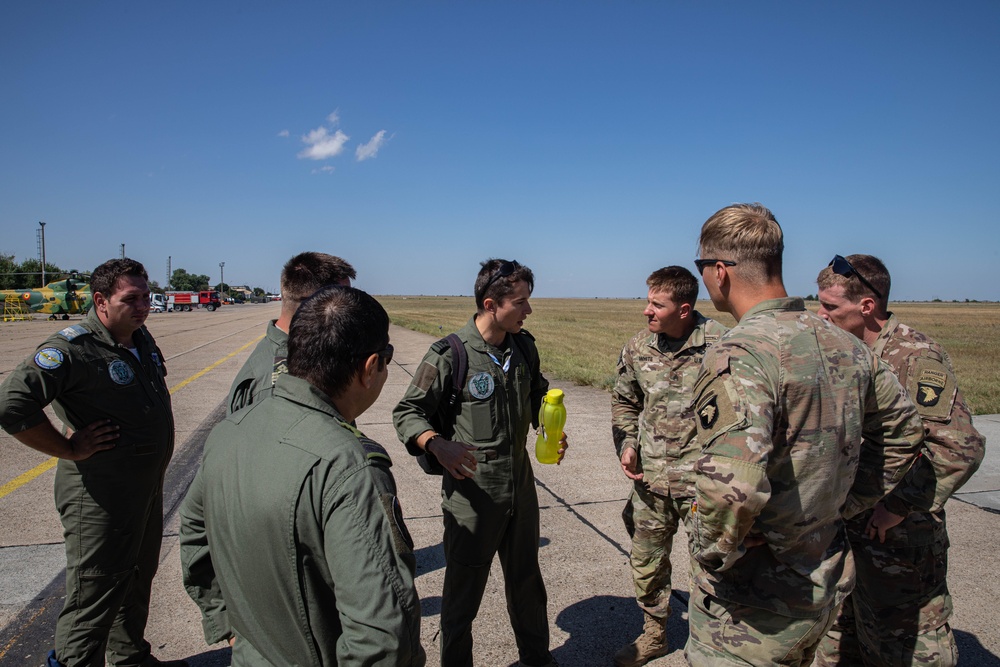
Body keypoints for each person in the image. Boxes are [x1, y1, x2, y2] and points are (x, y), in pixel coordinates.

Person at [684, 204, 926, 667]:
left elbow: (732, 489)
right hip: (824, 578)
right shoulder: (846, 343)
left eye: (702, 268)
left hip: (753, 605)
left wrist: (711, 550)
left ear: (720, 271)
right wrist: (839, 505)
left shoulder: (740, 352)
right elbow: (903, 433)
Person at [179, 285, 425, 666]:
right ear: (370, 367)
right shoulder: (349, 466)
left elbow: (195, 532)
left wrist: (228, 625)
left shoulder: (230, 430)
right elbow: (382, 635)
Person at [0, 258, 184, 667]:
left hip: (144, 489)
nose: (143, 306)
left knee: (136, 578)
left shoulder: (140, 336)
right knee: (94, 594)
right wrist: (68, 449)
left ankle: (129, 657)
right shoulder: (71, 348)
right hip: (99, 496)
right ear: (100, 301)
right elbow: (12, 405)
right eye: (130, 299)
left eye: (146, 297)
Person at [813, 254, 985, 666]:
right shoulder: (847, 352)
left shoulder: (912, 356)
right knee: (839, 639)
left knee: (906, 644)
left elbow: (958, 447)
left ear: (867, 307)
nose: (820, 315)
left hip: (897, 536)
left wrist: (897, 506)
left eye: (830, 307)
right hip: (849, 526)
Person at [392, 259, 565, 667]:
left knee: (526, 582)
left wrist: (550, 427)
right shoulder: (450, 354)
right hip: (472, 495)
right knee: (462, 595)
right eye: (520, 302)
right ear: (491, 304)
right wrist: (436, 444)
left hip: (520, 489)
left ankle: (537, 659)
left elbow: (538, 394)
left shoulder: (524, 347)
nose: (528, 310)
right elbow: (407, 412)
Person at [610, 266, 729, 667]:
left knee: (711, 571)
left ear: (683, 309)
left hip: (704, 485)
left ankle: (708, 644)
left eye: (656, 304)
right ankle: (655, 634)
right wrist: (627, 444)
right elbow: (625, 400)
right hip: (651, 481)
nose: (647, 311)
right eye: (647, 301)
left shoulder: (723, 346)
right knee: (646, 563)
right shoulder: (638, 348)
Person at [228, 251, 355, 413]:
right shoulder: (282, 382)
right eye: (344, 298)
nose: (351, 306)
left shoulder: (296, 353)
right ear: (316, 302)